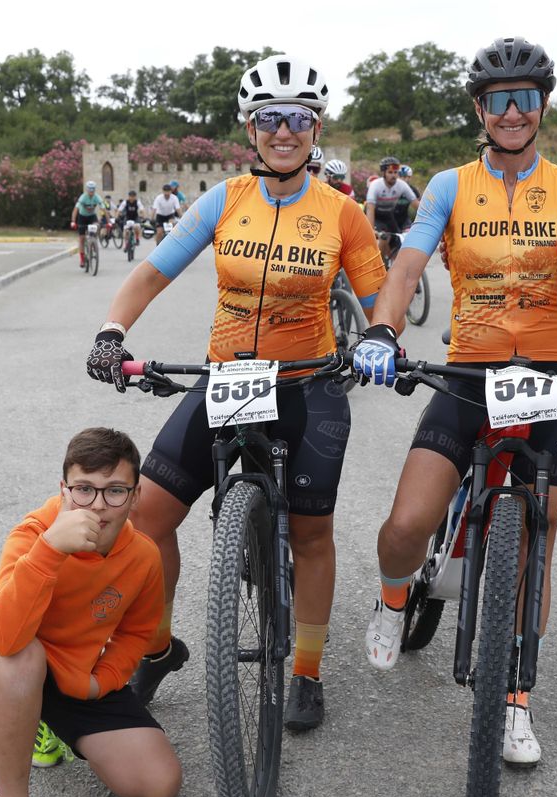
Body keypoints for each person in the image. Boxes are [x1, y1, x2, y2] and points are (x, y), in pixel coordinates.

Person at [351, 36, 557, 768]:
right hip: (471, 369)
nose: (512, 112)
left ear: (542, 106)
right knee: (406, 524)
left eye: (525, 98)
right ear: (480, 109)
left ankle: (514, 700)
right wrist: (381, 330)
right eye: (498, 100)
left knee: (538, 537)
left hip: (549, 372)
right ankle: (392, 597)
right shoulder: (449, 185)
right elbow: (408, 265)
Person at [86, 54, 387, 732]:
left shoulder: (343, 213)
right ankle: (157, 646)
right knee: (147, 516)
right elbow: (152, 273)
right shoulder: (223, 200)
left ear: (315, 129)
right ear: (251, 129)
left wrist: (381, 339)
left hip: (308, 383)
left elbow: (379, 302)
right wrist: (111, 331)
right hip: (228, 379)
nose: (284, 131)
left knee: (311, 532)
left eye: (298, 119)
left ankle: (306, 669)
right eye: (270, 119)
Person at [0, 427, 181, 797]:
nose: (97, 506)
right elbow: (4, 637)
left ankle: (42, 720)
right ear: (64, 490)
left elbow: (136, 633)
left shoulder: (142, 555)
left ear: (136, 496)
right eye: (83, 490)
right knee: (24, 656)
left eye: (115, 491)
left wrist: (100, 683)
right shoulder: (34, 533)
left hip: (73, 674)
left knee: (159, 785)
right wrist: (51, 550)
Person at [363, 156, 419, 263]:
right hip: (375, 216)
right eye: (390, 172)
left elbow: (416, 204)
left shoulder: (402, 185)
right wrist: (371, 229)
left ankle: (393, 263)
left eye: (396, 172)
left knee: (398, 241)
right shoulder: (376, 185)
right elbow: (370, 209)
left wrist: (430, 220)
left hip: (389, 216)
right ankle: (378, 265)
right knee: (383, 238)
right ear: (383, 173)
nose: (393, 175)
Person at [70, 181, 104, 267]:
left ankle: (94, 242)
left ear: (94, 190)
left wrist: (109, 222)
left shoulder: (97, 197)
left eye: (93, 190)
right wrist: (73, 221)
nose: (91, 192)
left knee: (96, 226)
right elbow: (75, 210)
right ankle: (82, 259)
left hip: (92, 217)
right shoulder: (83, 197)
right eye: (90, 190)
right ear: (87, 190)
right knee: (81, 238)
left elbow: (103, 209)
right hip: (82, 217)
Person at [116, 189, 144, 253]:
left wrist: (143, 216)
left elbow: (142, 209)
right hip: (127, 218)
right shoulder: (125, 202)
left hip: (135, 217)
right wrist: (117, 217)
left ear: (135, 197)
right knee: (125, 230)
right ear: (128, 196)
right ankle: (126, 244)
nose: (132, 198)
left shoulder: (137, 202)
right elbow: (119, 210)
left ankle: (137, 239)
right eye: (130, 196)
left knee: (137, 227)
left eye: (133, 196)